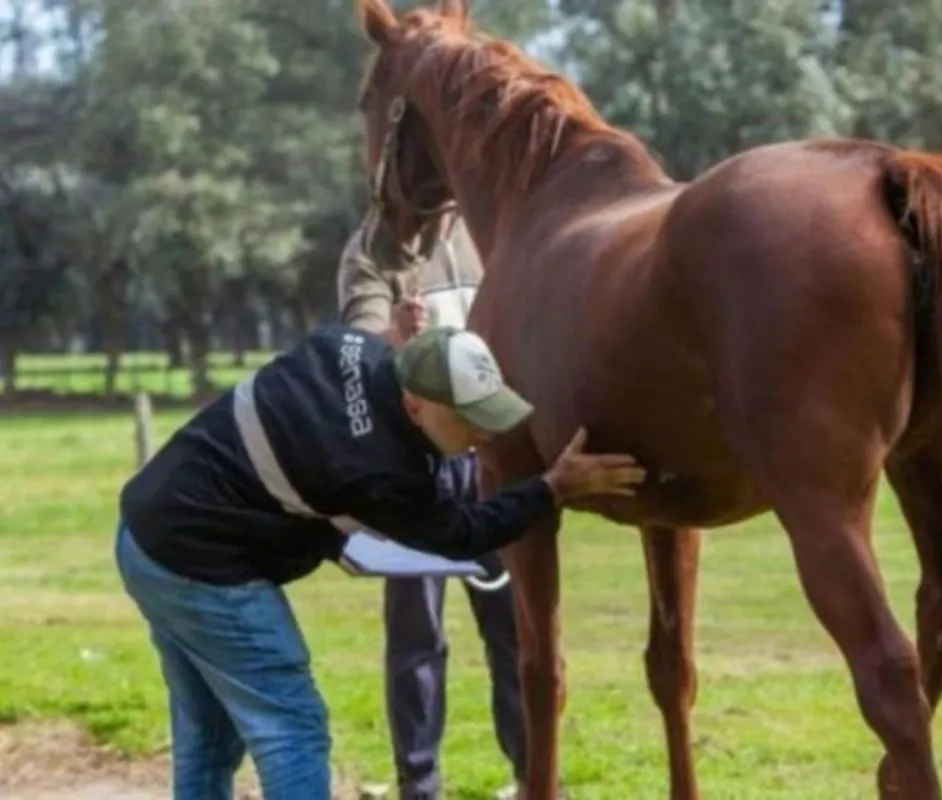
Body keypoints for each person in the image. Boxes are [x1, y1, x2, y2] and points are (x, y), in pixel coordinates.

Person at [114, 212, 646, 800]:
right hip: (198, 564)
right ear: (415, 406)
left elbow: (346, 391)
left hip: (146, 533)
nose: (480, 436)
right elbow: (465, 532)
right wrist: (554, 487)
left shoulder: (347, 345)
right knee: (293, 727)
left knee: (210, 740)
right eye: (466, 420)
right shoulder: (381, 469)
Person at [337, 213, 527, 800]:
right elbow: (358, 353)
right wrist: (393, 337)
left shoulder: (491, 228)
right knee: (418, 633)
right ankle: (420, 786)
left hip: (490, 453)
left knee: (514, 628)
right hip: (418, 463)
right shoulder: (375, 248)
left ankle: (534, 775)